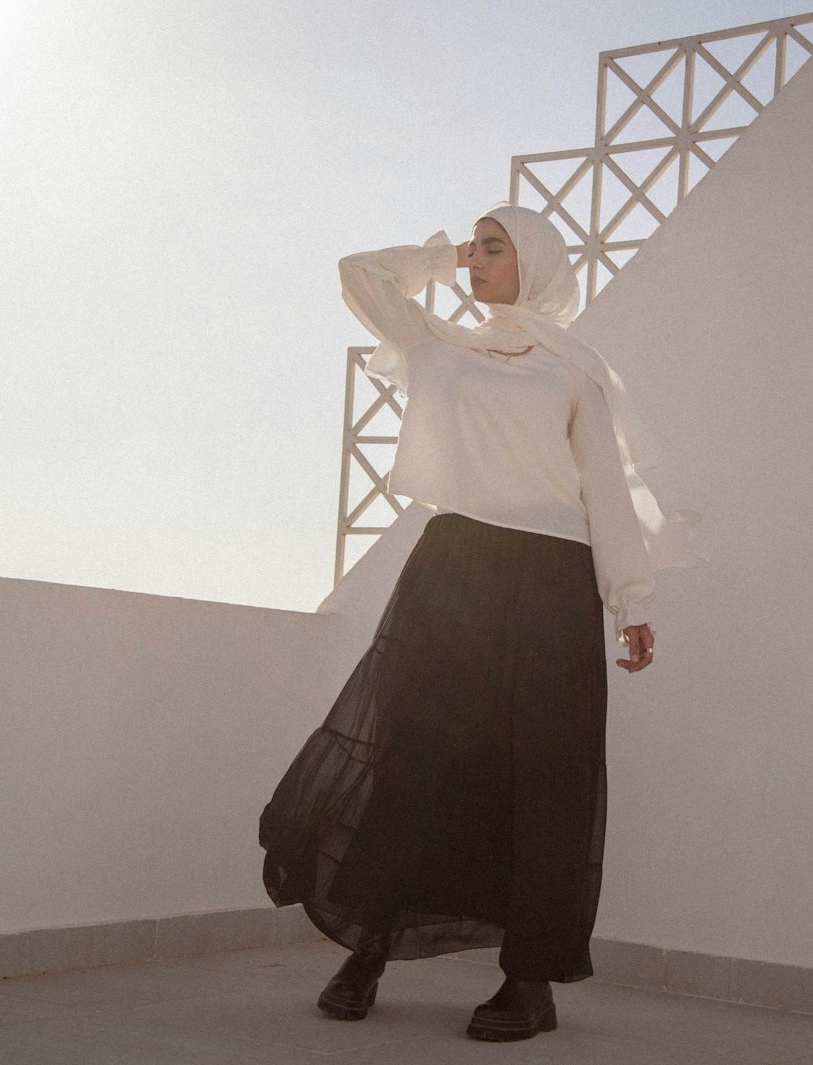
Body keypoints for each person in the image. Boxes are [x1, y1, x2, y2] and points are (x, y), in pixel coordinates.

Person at [259, 203, 701, 1042]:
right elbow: (359, 272)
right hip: (455, 566)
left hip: (554, 577)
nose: (478, 262)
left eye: (495, 249)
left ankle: (528, 981)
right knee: (410, 757)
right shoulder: (442, 344)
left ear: (535, 261)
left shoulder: (574, 370)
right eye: (477, 250)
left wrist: (631, 602)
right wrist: (440, 257)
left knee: (547, 776)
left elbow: (604, 487)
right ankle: (367, 947)